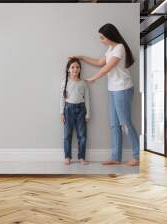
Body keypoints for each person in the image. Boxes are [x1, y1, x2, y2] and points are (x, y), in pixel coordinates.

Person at [72, 23, 140, 166]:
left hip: (123, 89)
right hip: (113, 89)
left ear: (109, 37)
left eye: (102, 38)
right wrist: (82, 58)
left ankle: (137, 155)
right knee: (114, 125)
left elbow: (107, 68)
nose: (100, 40)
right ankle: (116, 157)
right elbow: (99, 62)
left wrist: (93, 78)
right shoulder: (111, 49)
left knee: (125, 123)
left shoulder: (119, 48)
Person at [60, 57, 91, 165]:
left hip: (81, 109)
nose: (75, 69)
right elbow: (62, 99)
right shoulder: (65, 82)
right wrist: (61, 113)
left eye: (77, 67)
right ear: (68, 69)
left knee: (82, 135)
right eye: (72, 67)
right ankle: (67, 156)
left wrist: (88, 113)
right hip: (68, 109)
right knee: (67, 135)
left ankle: (81, 157)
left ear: (80, 69)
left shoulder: (83, 83)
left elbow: (87, 98)